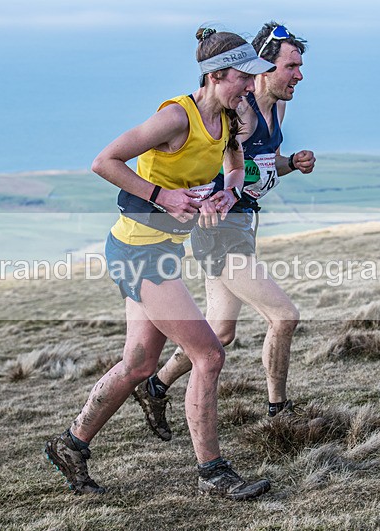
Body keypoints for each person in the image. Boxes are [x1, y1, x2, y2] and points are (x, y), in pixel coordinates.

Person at [44, 28, 274, 500]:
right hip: (137, 252)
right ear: (214, 75)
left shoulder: (228, 118)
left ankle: (70, 444)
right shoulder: (175, 118)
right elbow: (104, 161)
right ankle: (212, 473)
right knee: (208, 354)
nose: (250, 86)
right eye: (242, 78)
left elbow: (233, 164)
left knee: (139, 362)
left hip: (161, 251)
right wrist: (161, 195)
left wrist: (226, 193)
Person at [132, 22, 315, 441]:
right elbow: (208, 166)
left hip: (243, 224)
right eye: (292, 66)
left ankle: (155, 387)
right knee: (284, 316)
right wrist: (188, 202)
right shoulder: (239, 111)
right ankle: (278, 413)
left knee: (222, 332)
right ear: (263, 67)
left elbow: (259, 166)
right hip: (218, 230)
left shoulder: (275, 109)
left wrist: (292, 163)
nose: (299, 76)